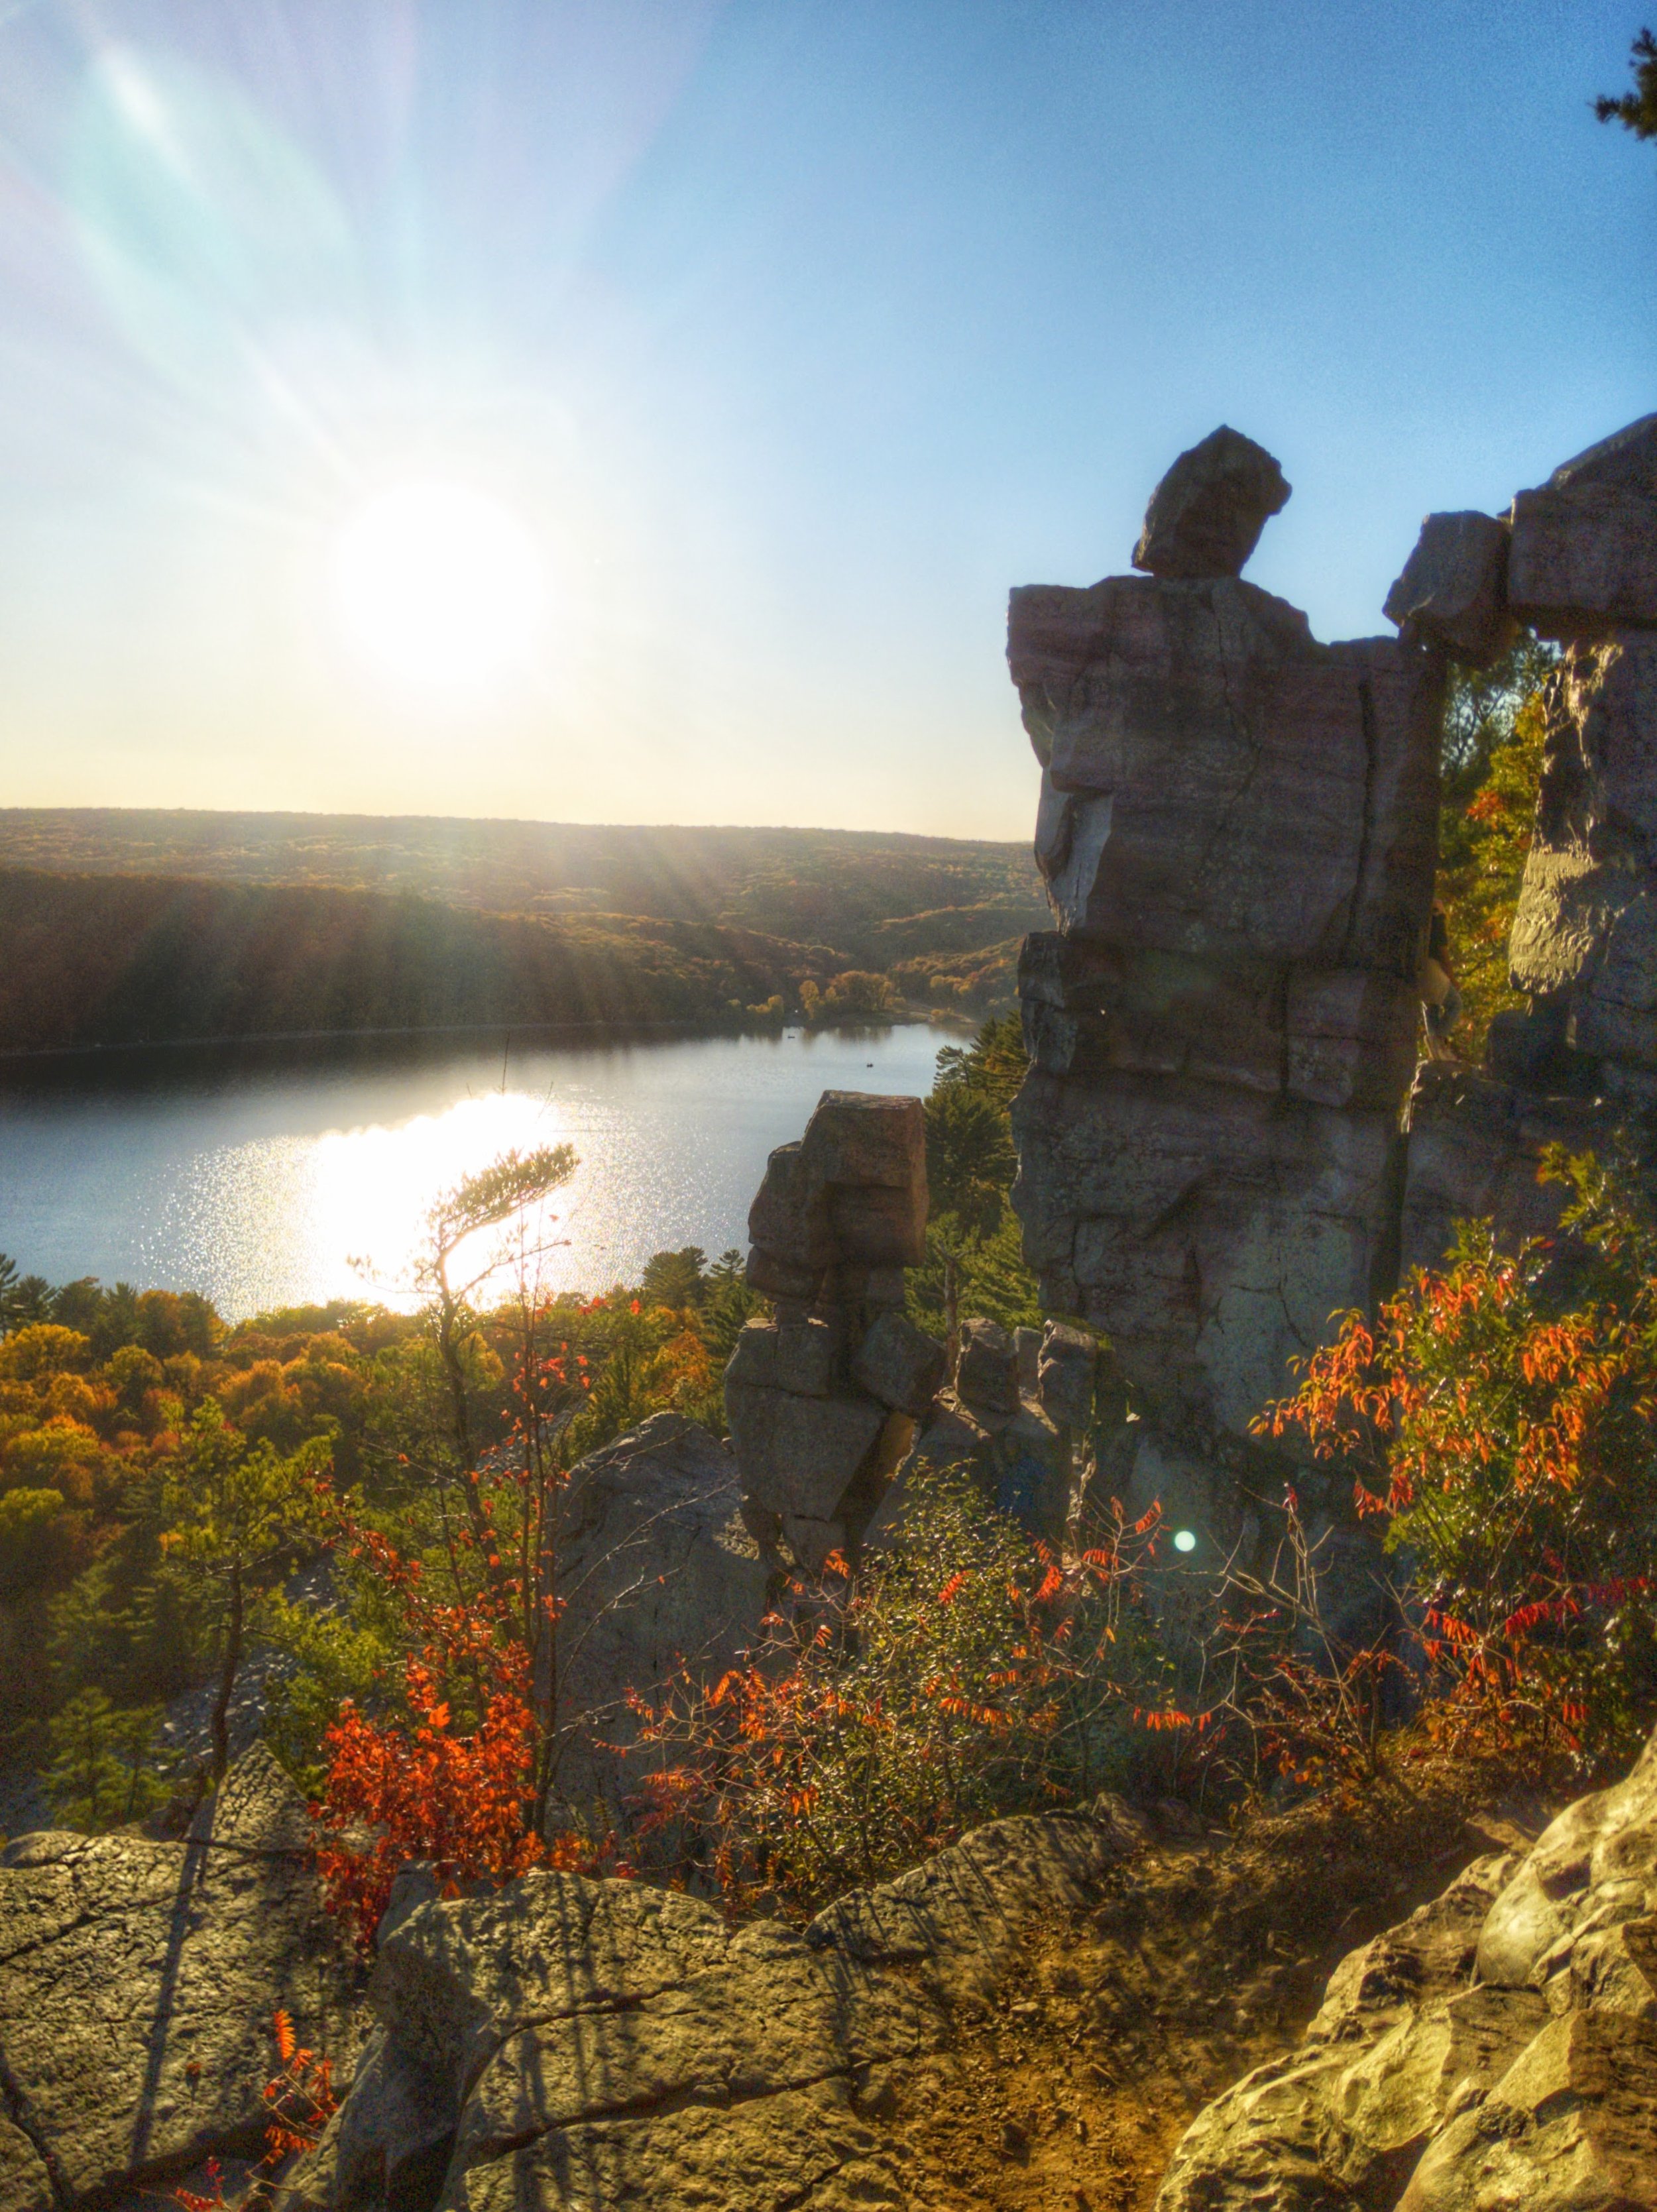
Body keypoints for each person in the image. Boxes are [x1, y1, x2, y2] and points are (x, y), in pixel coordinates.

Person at [1420, 902, 1461, 1061]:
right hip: (1432, 969)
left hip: (1417, 971)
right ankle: (1438, 1042)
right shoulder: (1436, 920)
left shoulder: (1420, 922)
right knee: (1456, 1004)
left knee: (1432, 1007)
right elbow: (1443, 954)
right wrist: (1453, 979)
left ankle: (1436, 1053)